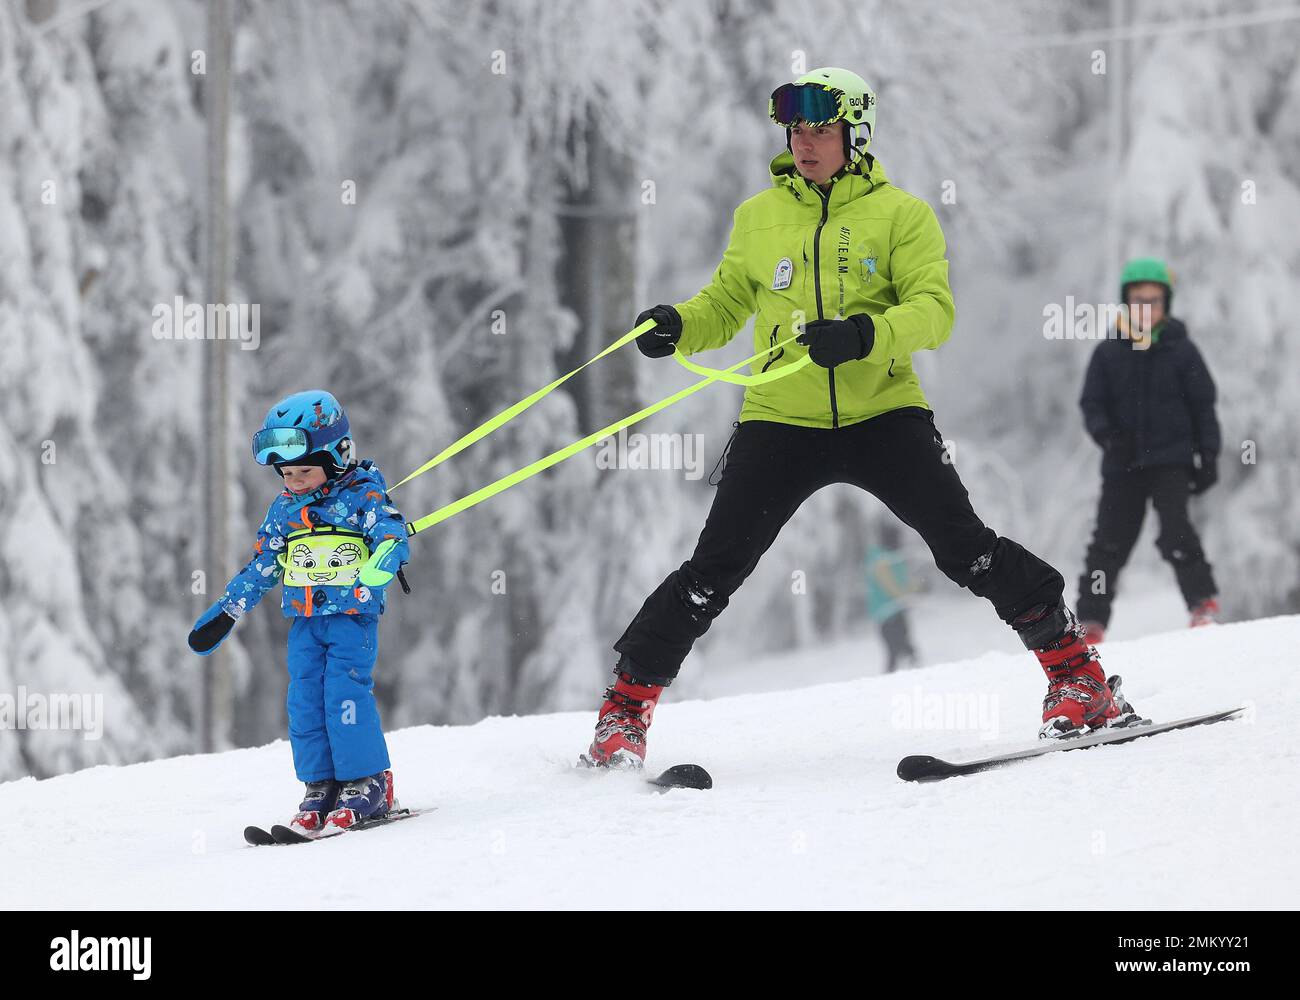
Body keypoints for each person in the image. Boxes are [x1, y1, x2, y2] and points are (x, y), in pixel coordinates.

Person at [582, 66, 1138, 768]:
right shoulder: (758, 218)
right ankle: (623, 717)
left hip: (884, 413)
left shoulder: (902, 215)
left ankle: (1079, 682)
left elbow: (934, 312)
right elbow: (723, 306)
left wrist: (866, 335)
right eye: (797, 129)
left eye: (821, 129)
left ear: (857, 135)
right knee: (712, 570)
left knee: (967, 549)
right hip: (780, 419)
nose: (806, 142)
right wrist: (675, 324)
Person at [187, 390, 411, 836]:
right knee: (305, 700)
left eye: (304, 471)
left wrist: (382, 558)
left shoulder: (362, 494)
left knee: (342, 696)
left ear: (337, 456)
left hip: (351, 617)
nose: (294, 481)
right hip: (306, 622)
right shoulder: (285, 509)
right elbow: (264, 565)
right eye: (286, 473)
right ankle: (320, 786)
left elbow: (391, 531)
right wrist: (229, 608)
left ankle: (366, 783)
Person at [1077, 258, 1222, 643]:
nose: (1146, 309)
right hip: (1121, 464)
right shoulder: (1108, 353)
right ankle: (1091, 621)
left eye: (1154, 301)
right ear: (1126, 303)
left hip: (1171, 461)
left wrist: (1209, 455)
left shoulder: (1183, 351)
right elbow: (1092, 405)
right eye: (1138, 300)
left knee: (1177, 531)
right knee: (1108, 543)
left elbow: (1203, 406)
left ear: (1166, 305)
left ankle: (1202, 603)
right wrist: (1109, 437)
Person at [866, 522, 919, 673]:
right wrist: (909, 593)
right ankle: (895, 681)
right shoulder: (880, 560)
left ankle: (911, 674)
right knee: (897, 650)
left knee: (904, 648)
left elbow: (902, 581)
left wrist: (917, 587)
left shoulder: (892, 558)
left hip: (895, 610)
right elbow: (891, 586)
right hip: (886, 614)